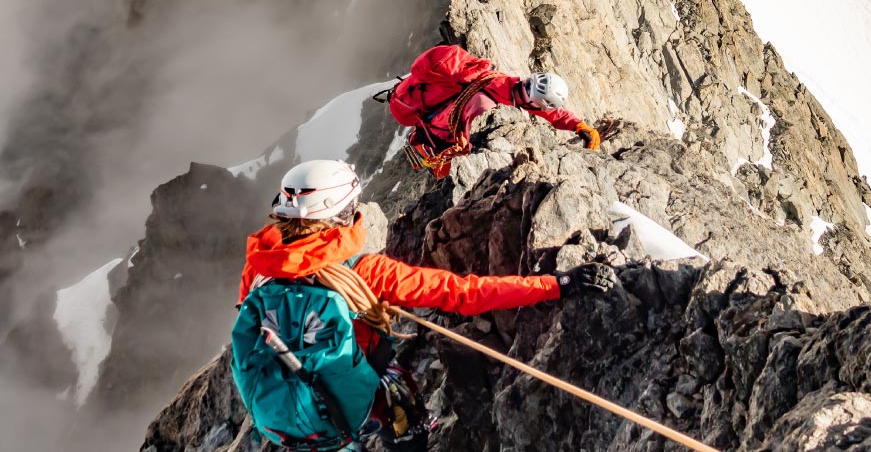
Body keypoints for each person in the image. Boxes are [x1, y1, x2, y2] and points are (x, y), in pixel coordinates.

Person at [231, 160, 617, 452]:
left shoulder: (259, 266)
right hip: (372, 396)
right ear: (342, 216)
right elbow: (464, 293)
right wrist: (556, 284)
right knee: (405, 433)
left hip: (287, 408)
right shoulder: (367, 272)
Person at [387, 44, 602, 178]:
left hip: (437, 128)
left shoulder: (508, 85)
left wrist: (577, 124)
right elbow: (463, 139)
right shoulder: (486, 104)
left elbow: (547, 111)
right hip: (435, 141)